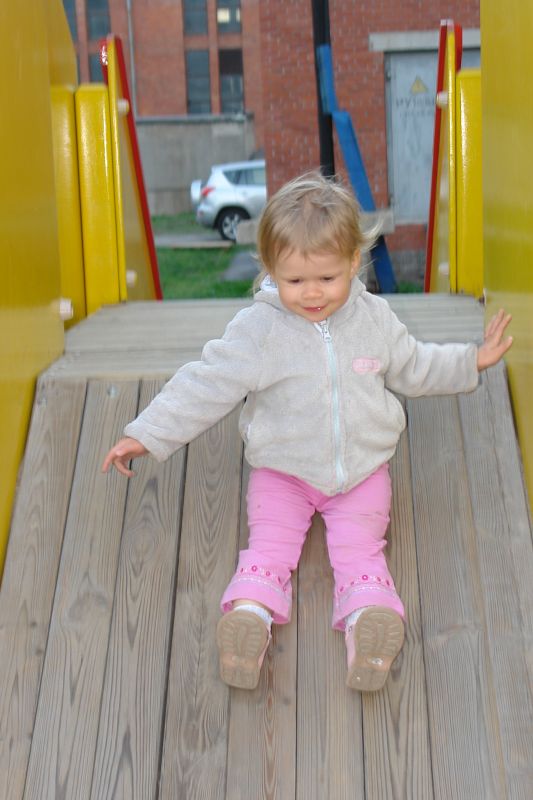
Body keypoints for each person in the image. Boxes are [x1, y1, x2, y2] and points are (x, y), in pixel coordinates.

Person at [102, 172, 513, 693]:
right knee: (268, 549)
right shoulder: (260, 330)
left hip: (361, 472)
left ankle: (369, 629)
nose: (312, 293)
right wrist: (148, 432)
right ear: (271, 269)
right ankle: (248, 619)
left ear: (353, 263)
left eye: (327, 278)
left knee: (361, 554)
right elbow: (206, 383)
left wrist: (471, 360)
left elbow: (416, 366)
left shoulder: (374, 319)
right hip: (283, 472)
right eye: (295, 281)